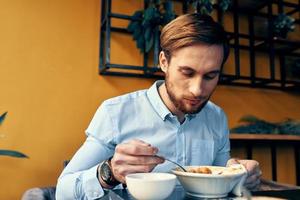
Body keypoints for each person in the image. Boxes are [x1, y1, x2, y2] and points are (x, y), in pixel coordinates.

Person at [56, 13, 262, 200]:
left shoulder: (216, 118)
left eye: (210, 76)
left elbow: (221, 178)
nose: (198, 90)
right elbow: (62, 192)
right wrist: (109, 172)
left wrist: (239, 174)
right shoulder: (115, 113)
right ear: (164, 62)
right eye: (187, 73)